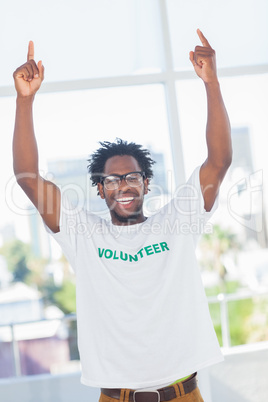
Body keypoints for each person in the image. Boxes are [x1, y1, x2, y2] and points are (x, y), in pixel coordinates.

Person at [13, 29, 232, 402]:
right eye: (112, 180)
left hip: (184, 395)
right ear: (99, 189)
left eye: (132, 177)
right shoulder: (84, 234)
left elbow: (219, 161)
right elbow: (28, 180)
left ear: (146, 183)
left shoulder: (177, 223)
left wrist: (211, 82)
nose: (124, 186)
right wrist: (24, 101)